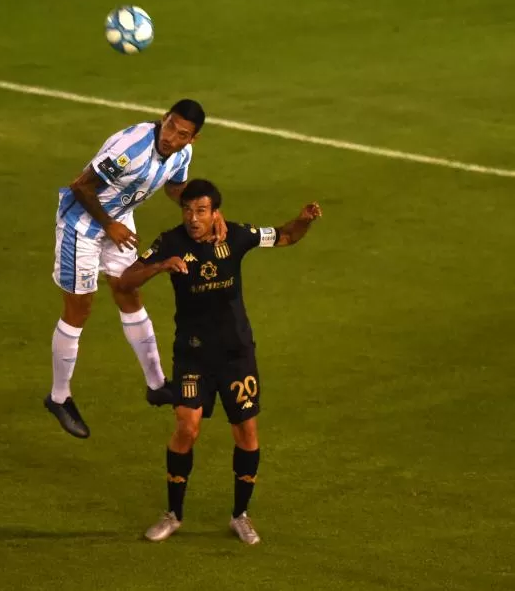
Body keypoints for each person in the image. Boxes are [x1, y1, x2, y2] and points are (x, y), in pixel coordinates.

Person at [115, 179, 321, 544]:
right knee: (187, 427)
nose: (193, 218)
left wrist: (303, 220)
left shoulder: (237, 236)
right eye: (188, 210)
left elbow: (285, 236)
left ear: (215, 213)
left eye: (201, 211)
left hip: (236, 354)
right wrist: (161, 266)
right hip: (192, 353)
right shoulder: (170, 241)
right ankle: (173, 514)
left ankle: (240, 515)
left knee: (246, 432)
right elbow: (126, 281)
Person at [45, 100, 226, 439]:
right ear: (164, 118)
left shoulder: (181, 155)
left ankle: (157, 385)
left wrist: (204, 212)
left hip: (119, 221)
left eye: (182, 134)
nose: (171, 137)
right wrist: (109, 224)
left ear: (193, 139)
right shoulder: (132, 147)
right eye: (170, 125)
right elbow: (81, 186)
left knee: (128, 290)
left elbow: (175, 188)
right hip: (81, 225)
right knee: (79, 308)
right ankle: (58, 397)